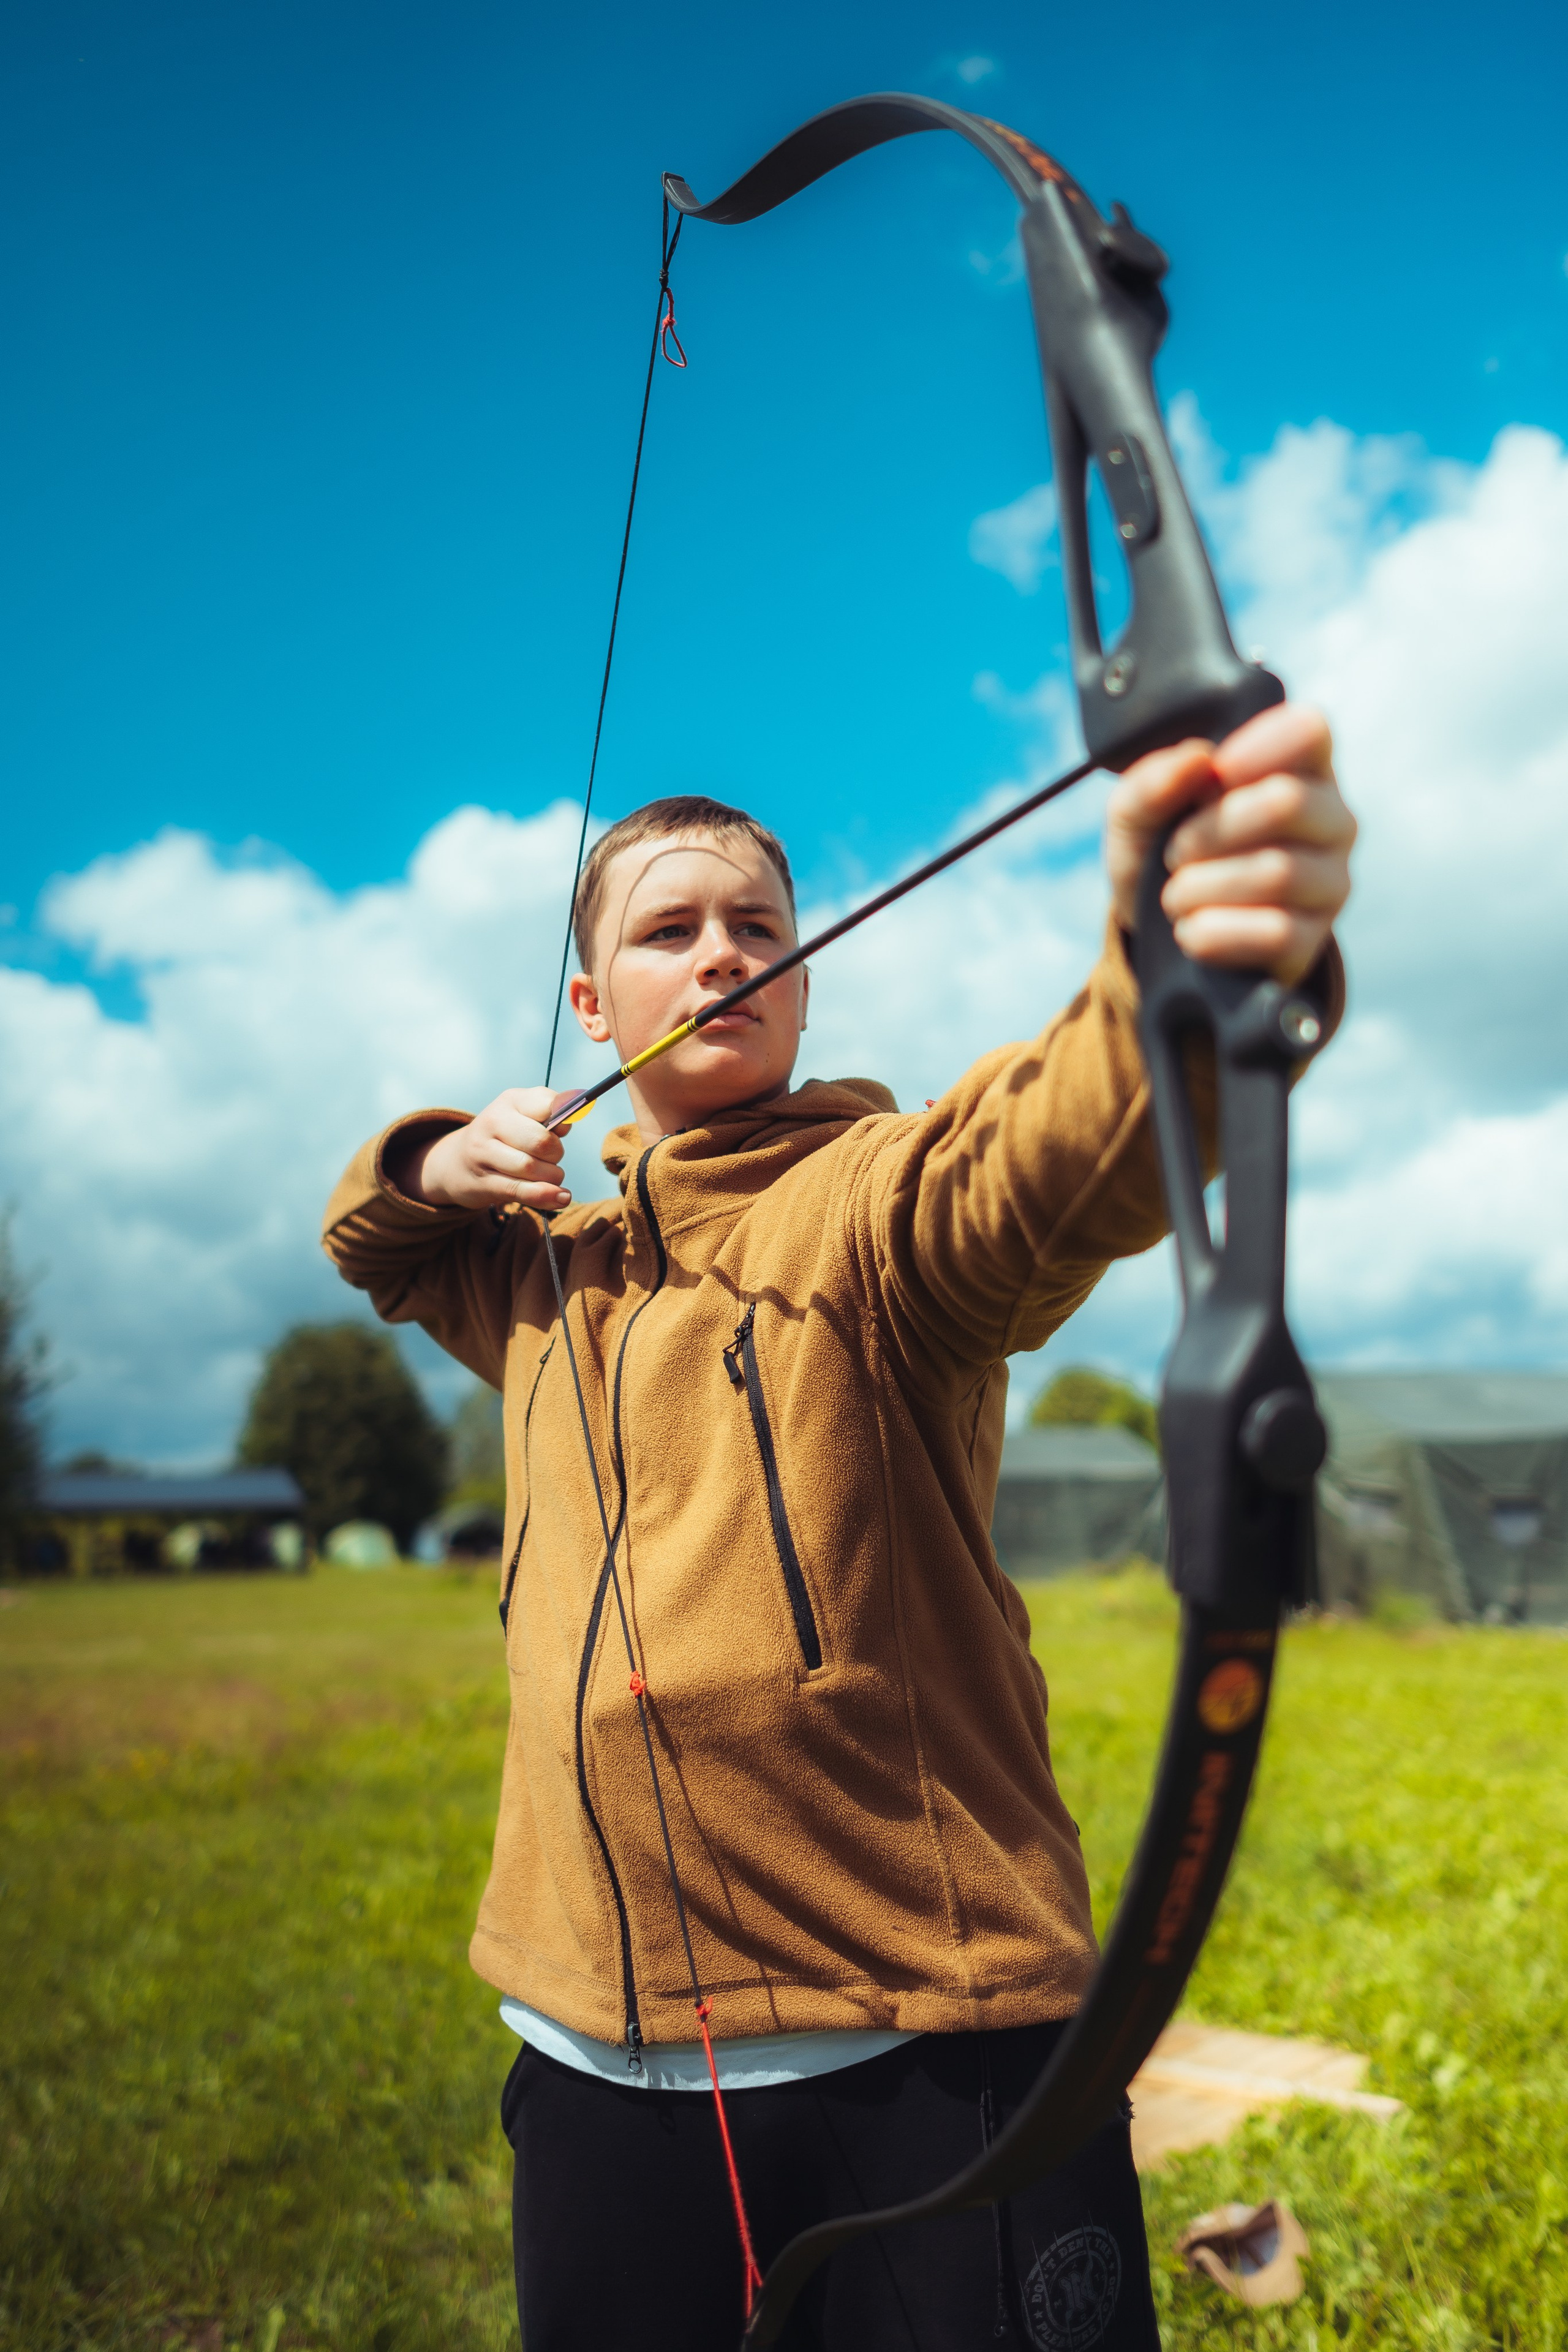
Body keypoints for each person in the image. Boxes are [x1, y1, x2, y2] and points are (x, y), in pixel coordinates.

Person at [322, 706, 1354, 2351]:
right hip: (596, 2055)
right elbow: (372, 1245)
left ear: (801, 980)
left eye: (759, 930)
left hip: (929, 2049)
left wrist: (1190, 976)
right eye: (670, 930)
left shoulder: (874, 1203)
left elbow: (1043, 1157)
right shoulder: (532, 1272)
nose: (722, 953)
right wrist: (439, 1160)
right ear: (591, 1006)